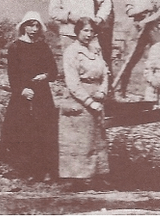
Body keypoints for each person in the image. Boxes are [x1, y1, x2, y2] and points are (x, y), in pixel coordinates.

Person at [2, 11, 59, 183]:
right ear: (23, 26)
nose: (33, 29)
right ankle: (29, 170)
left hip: (42, 95)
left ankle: (47, 170)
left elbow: (54, 71)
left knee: (45, 131)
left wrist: (45, 76)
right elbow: (12, 75)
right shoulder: (15, 47)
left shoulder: (43, 46)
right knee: (25, 133)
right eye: (30, 25)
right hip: (23, 96)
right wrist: (22, 90)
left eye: (36, 26)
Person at [59, 17, 109, 191]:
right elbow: (72, 83)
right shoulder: (71, 52)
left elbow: (105, 72)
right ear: (77, 31)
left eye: (92, 31)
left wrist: (103, 91)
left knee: (97, 140)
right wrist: (89, 102)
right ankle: (79, 180)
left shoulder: (96, 50)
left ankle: (97, 177)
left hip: (97, 97)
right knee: (80, 142)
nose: (89, 34)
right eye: (85, 30)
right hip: (79, 101)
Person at [119, 0, 160, 98]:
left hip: (152, 28)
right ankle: (122, 91)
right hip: (137, 28)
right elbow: (129, 11)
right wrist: (145, 8)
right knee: (130, 59)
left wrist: (146, 20)